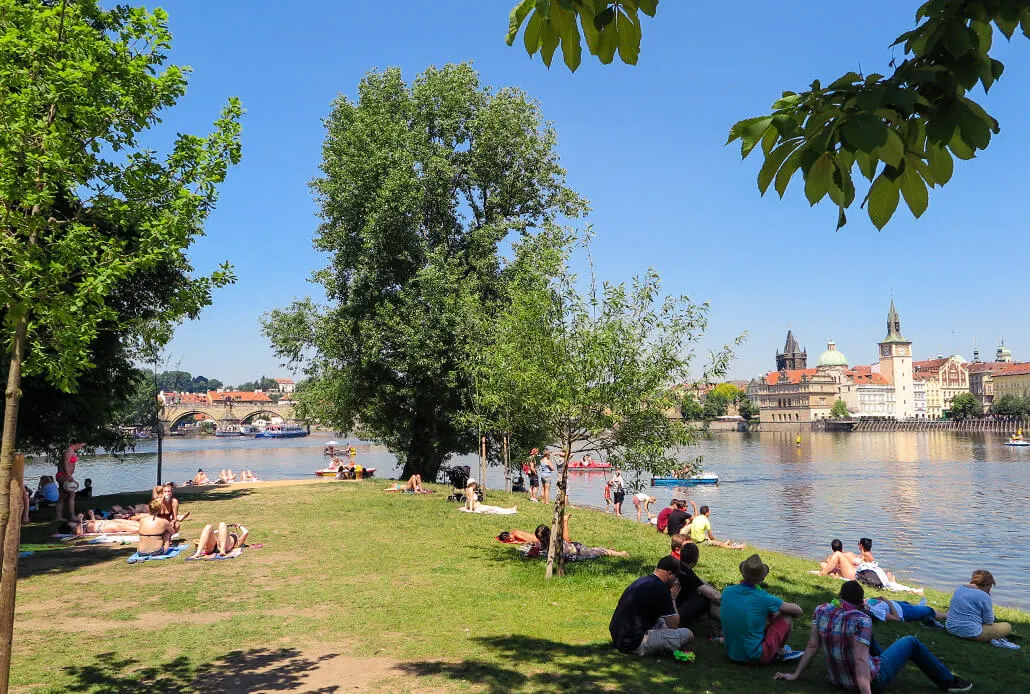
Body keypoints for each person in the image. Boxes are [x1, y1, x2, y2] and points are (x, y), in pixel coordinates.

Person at [773, 581, 973, 692]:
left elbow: (812, 646)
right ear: (860, 600)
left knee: (866, 640)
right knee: (910, 642)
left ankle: (888, 660)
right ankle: (949, 682)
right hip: (869, 682)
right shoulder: (861, 620)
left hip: (836, 679)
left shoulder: (821, 610)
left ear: (840, 595)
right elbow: (860, 660)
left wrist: (795, 674)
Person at [721, 554, 804, 665]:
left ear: (743, 573)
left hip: (731, 653)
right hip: (754, 657)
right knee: (787, 616)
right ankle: (779, 651)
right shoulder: (764, 597)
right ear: (762, 578)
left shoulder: (727, 591)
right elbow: (798, 611)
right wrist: (780, 612)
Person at [609, 556, 694, 656]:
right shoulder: (662, 590)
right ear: (670, 574)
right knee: (687, 633)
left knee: (662, 621)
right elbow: (674, 624)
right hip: (633, 644)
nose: (676, 581)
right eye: (676, 577)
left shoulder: (643, 581)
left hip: (618, 636)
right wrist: (673, 598)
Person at [946, 569, 1018, 649]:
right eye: (990, 586)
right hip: (970, 633)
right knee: (1007, 626)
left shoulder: (960, 588)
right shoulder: (984, 596)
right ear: (987, 584)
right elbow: (989, 621)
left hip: (951, 628)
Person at [670, 536, 721, 626]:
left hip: (663, 610)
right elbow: (715, 596)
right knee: (706, 598)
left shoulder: (674, 566)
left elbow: (698, 582)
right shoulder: (686, 573)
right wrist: (731, 602)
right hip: (674, 617)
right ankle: (731, 621)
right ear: (696, 559)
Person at [535, 514, 630, 560]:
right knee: (598, 550)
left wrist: (565, 521)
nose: (540, 540)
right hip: (574, 548)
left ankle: (621, 554)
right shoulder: (546, 543)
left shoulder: (554, 542)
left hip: (579, 550)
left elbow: (567, 541)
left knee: (600, 551)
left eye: (540, 538)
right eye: (539, 538)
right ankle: (611, 551)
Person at [55, 442, 84, 522]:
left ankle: (59, 517)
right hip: (64, 475)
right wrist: (69, 476)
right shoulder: (69, 451)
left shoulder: (71, 451)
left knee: (61, 496)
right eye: (81, 446)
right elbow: (65, 464)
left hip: (64, 475)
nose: (81, 448)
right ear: (77, 443)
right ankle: (72, 516)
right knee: (72, 494)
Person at [865, 597, 945, 626]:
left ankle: (919, 607)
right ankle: (947, 615)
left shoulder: (865, 602)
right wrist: (888, 602)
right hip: (903, 612)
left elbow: (874, 600)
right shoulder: (875, 611)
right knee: (929, 610)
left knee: (908, 604)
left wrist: (878, 598)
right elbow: (897, 619)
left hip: (899, 604)